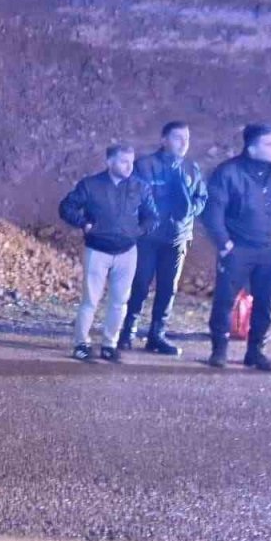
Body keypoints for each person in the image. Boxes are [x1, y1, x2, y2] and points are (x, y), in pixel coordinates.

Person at [203, 124, 271, 371]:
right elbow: (213, 211)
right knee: (225, 301)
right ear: (252, 148)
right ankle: (219, 350)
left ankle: (255, 351)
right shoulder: (229, 172)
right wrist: (225, 244)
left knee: (265, 303)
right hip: (238, 249)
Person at [59, 144, 158, 363]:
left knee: (119, 301)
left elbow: (152, 216)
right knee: (90, 300)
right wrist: (84, 223)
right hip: (97, 250)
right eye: (124, 161)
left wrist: (138, 231)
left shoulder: (140, 187)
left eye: (131, 161)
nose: (129, 166)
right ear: (110, 162)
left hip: (127, 251)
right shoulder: (90, 185)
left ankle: (109, 344)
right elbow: (66, 207)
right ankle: (81, 344)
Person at [117, 122, 208, 356]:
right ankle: (128, 331)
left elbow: (201, 198)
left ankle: (157, 335)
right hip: (148, 237)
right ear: (164, 140)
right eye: (178, 138)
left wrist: (190, 211)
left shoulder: (191, 169)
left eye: (187, 138)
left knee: (168, 288)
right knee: (140, 284)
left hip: (177, 238)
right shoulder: (145, 166)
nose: (184, 143)